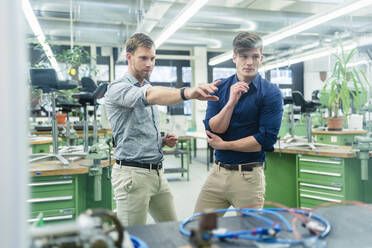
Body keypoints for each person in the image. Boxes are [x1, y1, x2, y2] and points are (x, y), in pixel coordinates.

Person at [104, 33, 220, 226]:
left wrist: (161, 140)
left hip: (157, 174)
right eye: (143, 58)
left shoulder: (147, 86)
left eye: (153, 58)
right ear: (129, 57)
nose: (149, 63)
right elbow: (149, 95)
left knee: (173, 229)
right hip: (132, 175)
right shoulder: (118, 88)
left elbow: (138, 127)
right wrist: (188, 92)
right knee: (132, 237)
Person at [194, 32, 283, 214]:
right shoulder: (219, 87)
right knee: (198, 230)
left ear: (261, 58)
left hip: (249, 178)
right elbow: (214, 129)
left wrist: (224, 145)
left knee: (247, 237)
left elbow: (264, 140)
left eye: (254, 56)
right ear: (234, 57)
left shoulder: (271, 93)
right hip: (217, 174)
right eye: (244, 56)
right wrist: (230, 103)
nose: (249, 62)